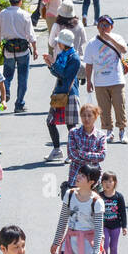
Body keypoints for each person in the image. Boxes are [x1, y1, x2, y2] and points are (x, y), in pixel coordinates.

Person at [84, 15, 128, 143]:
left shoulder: (118, 38)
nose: (104, 28)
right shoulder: (92, 43)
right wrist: (88, 81)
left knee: (119, 106)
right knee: (104, 109)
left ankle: (122, 130)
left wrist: (111, 39)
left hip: (116, 79)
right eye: (101, 25)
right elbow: (89, 63)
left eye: (107, 25)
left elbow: (124, 49)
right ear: (97, 27)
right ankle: (109, 131)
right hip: (100, 82)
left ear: (111, 27)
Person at [0, 0, 37, 112]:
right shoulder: (25, 14)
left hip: (8, 49)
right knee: (22, 78)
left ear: (10, 1)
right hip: (23, 50)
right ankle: (19, 104)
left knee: (7, 75)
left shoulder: (3, 13)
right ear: (20, 1)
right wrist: (35, 49)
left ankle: (6, 92)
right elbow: (31, 35)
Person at [43, 29, 81, 162]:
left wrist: (53, 63)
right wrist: (50, 65)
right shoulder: (62, 55)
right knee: (50, 122)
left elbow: (65, 75)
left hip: (70, 94)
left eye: (59, 42)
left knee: (71, 126)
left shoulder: (74, 58)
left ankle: (73, 153)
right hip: (59, 93)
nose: (58, 44)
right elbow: (58, 74)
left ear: (64, 43)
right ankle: (57, 149)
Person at [64, 102, 107, 191]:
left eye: (89, 115)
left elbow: (102, 156)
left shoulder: (101, 135)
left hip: (94, 180)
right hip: (76, 177)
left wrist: (81, 153)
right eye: (83, 115)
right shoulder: (73, 132)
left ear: (95, 117)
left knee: (95, 203)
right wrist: (91, 159)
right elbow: (71, 154)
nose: (86, 118)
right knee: (73, 204)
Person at [100, 172, 128, 254]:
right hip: (104, 225)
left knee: (113, 247)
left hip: (116, 226)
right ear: (102, 183)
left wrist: (124, 226)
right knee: (104, 245)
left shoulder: (118, 197)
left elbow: (123, 212)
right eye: (105, 181)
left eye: (110, 181)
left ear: (115, 182)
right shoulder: (99, 196)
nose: (108, 184)